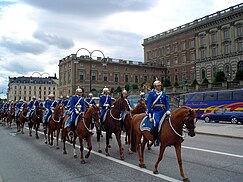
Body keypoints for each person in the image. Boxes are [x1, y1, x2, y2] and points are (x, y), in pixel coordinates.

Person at [146, 78, 170, 146]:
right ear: (155, 86)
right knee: (156, 123)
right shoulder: (151, 94)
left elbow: (167, 103)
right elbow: (149, 104)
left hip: (163, 111)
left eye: (160, 85)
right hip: (156, 112)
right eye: (158, 85)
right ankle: (156, 139)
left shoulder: (164, 94)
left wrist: (168, 110)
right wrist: (150, 114)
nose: (160, 87)